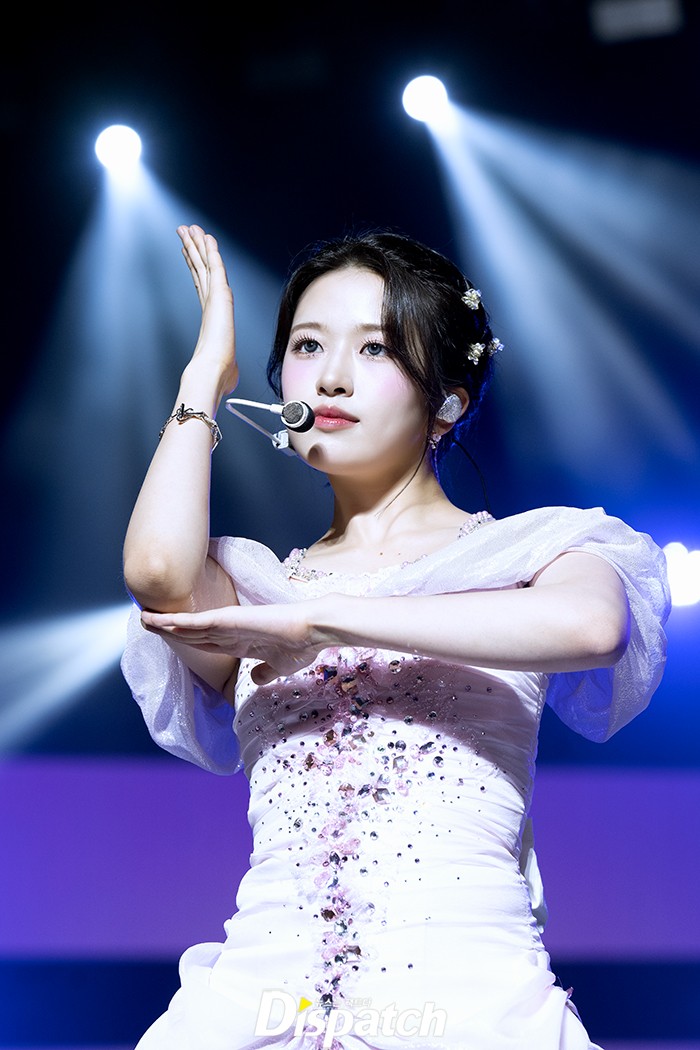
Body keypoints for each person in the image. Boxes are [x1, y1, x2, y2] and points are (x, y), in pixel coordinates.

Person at [121, 225, 670, 1050]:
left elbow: (592, 628)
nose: (331, 376)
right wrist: (205, 375)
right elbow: (158, 573)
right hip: (259, 1001)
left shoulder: (540, 551)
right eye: (307, 346)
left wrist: (321, 620)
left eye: (374, 349)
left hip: (466, 1006)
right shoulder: (254, 587)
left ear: (446, 404)